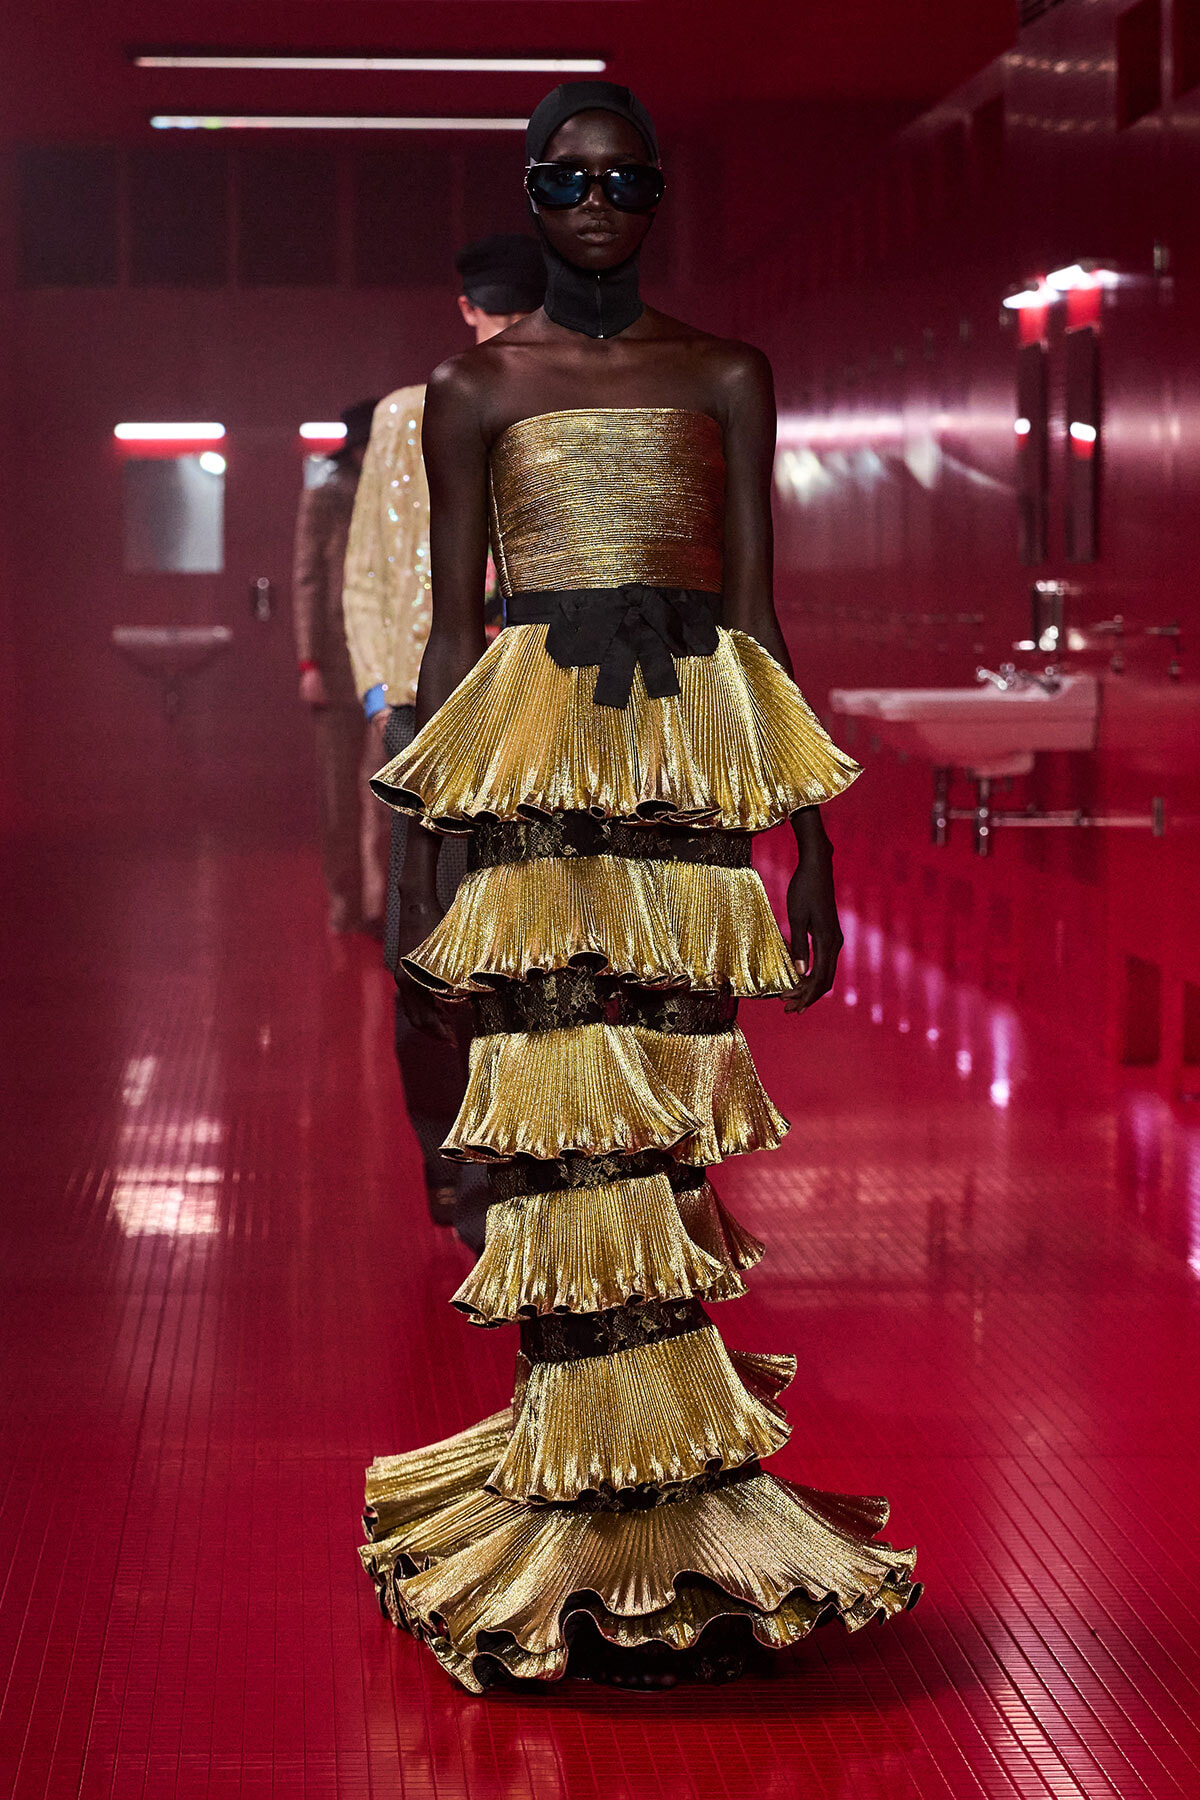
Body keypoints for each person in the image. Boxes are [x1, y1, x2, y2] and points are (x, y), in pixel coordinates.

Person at [358, 82, 921, 1692]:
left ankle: (680, 1507)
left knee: (669, 1117)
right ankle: (578, 1505)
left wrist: (812, 841)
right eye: (566, 179)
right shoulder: (473, 389)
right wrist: (422, 855)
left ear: (657, 196)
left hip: (685, 759)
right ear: (532, 196)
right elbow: (452, 638)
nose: (595, 202)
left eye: (622, 181)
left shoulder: (726, 372)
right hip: (538, 759)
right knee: (558, 1112)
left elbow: (757, 612)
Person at [342, 236, 545, 1236]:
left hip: (542, 703)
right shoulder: (408, 417)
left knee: (530, 942)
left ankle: (503, 1172)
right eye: (493, 314)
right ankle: (448, 1149)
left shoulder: (570, 409)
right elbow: (371, 567)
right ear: (465, 311)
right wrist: (386, 698)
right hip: (429, 705)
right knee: (424, 939)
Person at [291, 398, 388, 935]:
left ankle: (376, 904)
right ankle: (345, 900)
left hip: (380, 664)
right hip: (333, 660)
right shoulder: (324, 498)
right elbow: (306, 580)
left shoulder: (397, 497)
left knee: (379, 783)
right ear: (357, 448)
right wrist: (309, 662)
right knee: (336, 792)